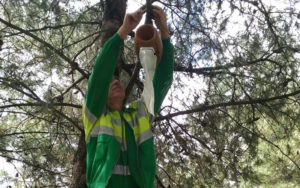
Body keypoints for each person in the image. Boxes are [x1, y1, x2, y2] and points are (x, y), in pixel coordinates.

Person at [82, 5, 174, 188]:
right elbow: (100, 72)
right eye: (109, 83)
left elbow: (163, 79)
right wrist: (124, 30)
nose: (115, 82)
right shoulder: (95, 115)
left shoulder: (140, 114)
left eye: (117, 80)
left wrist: (164, 31)